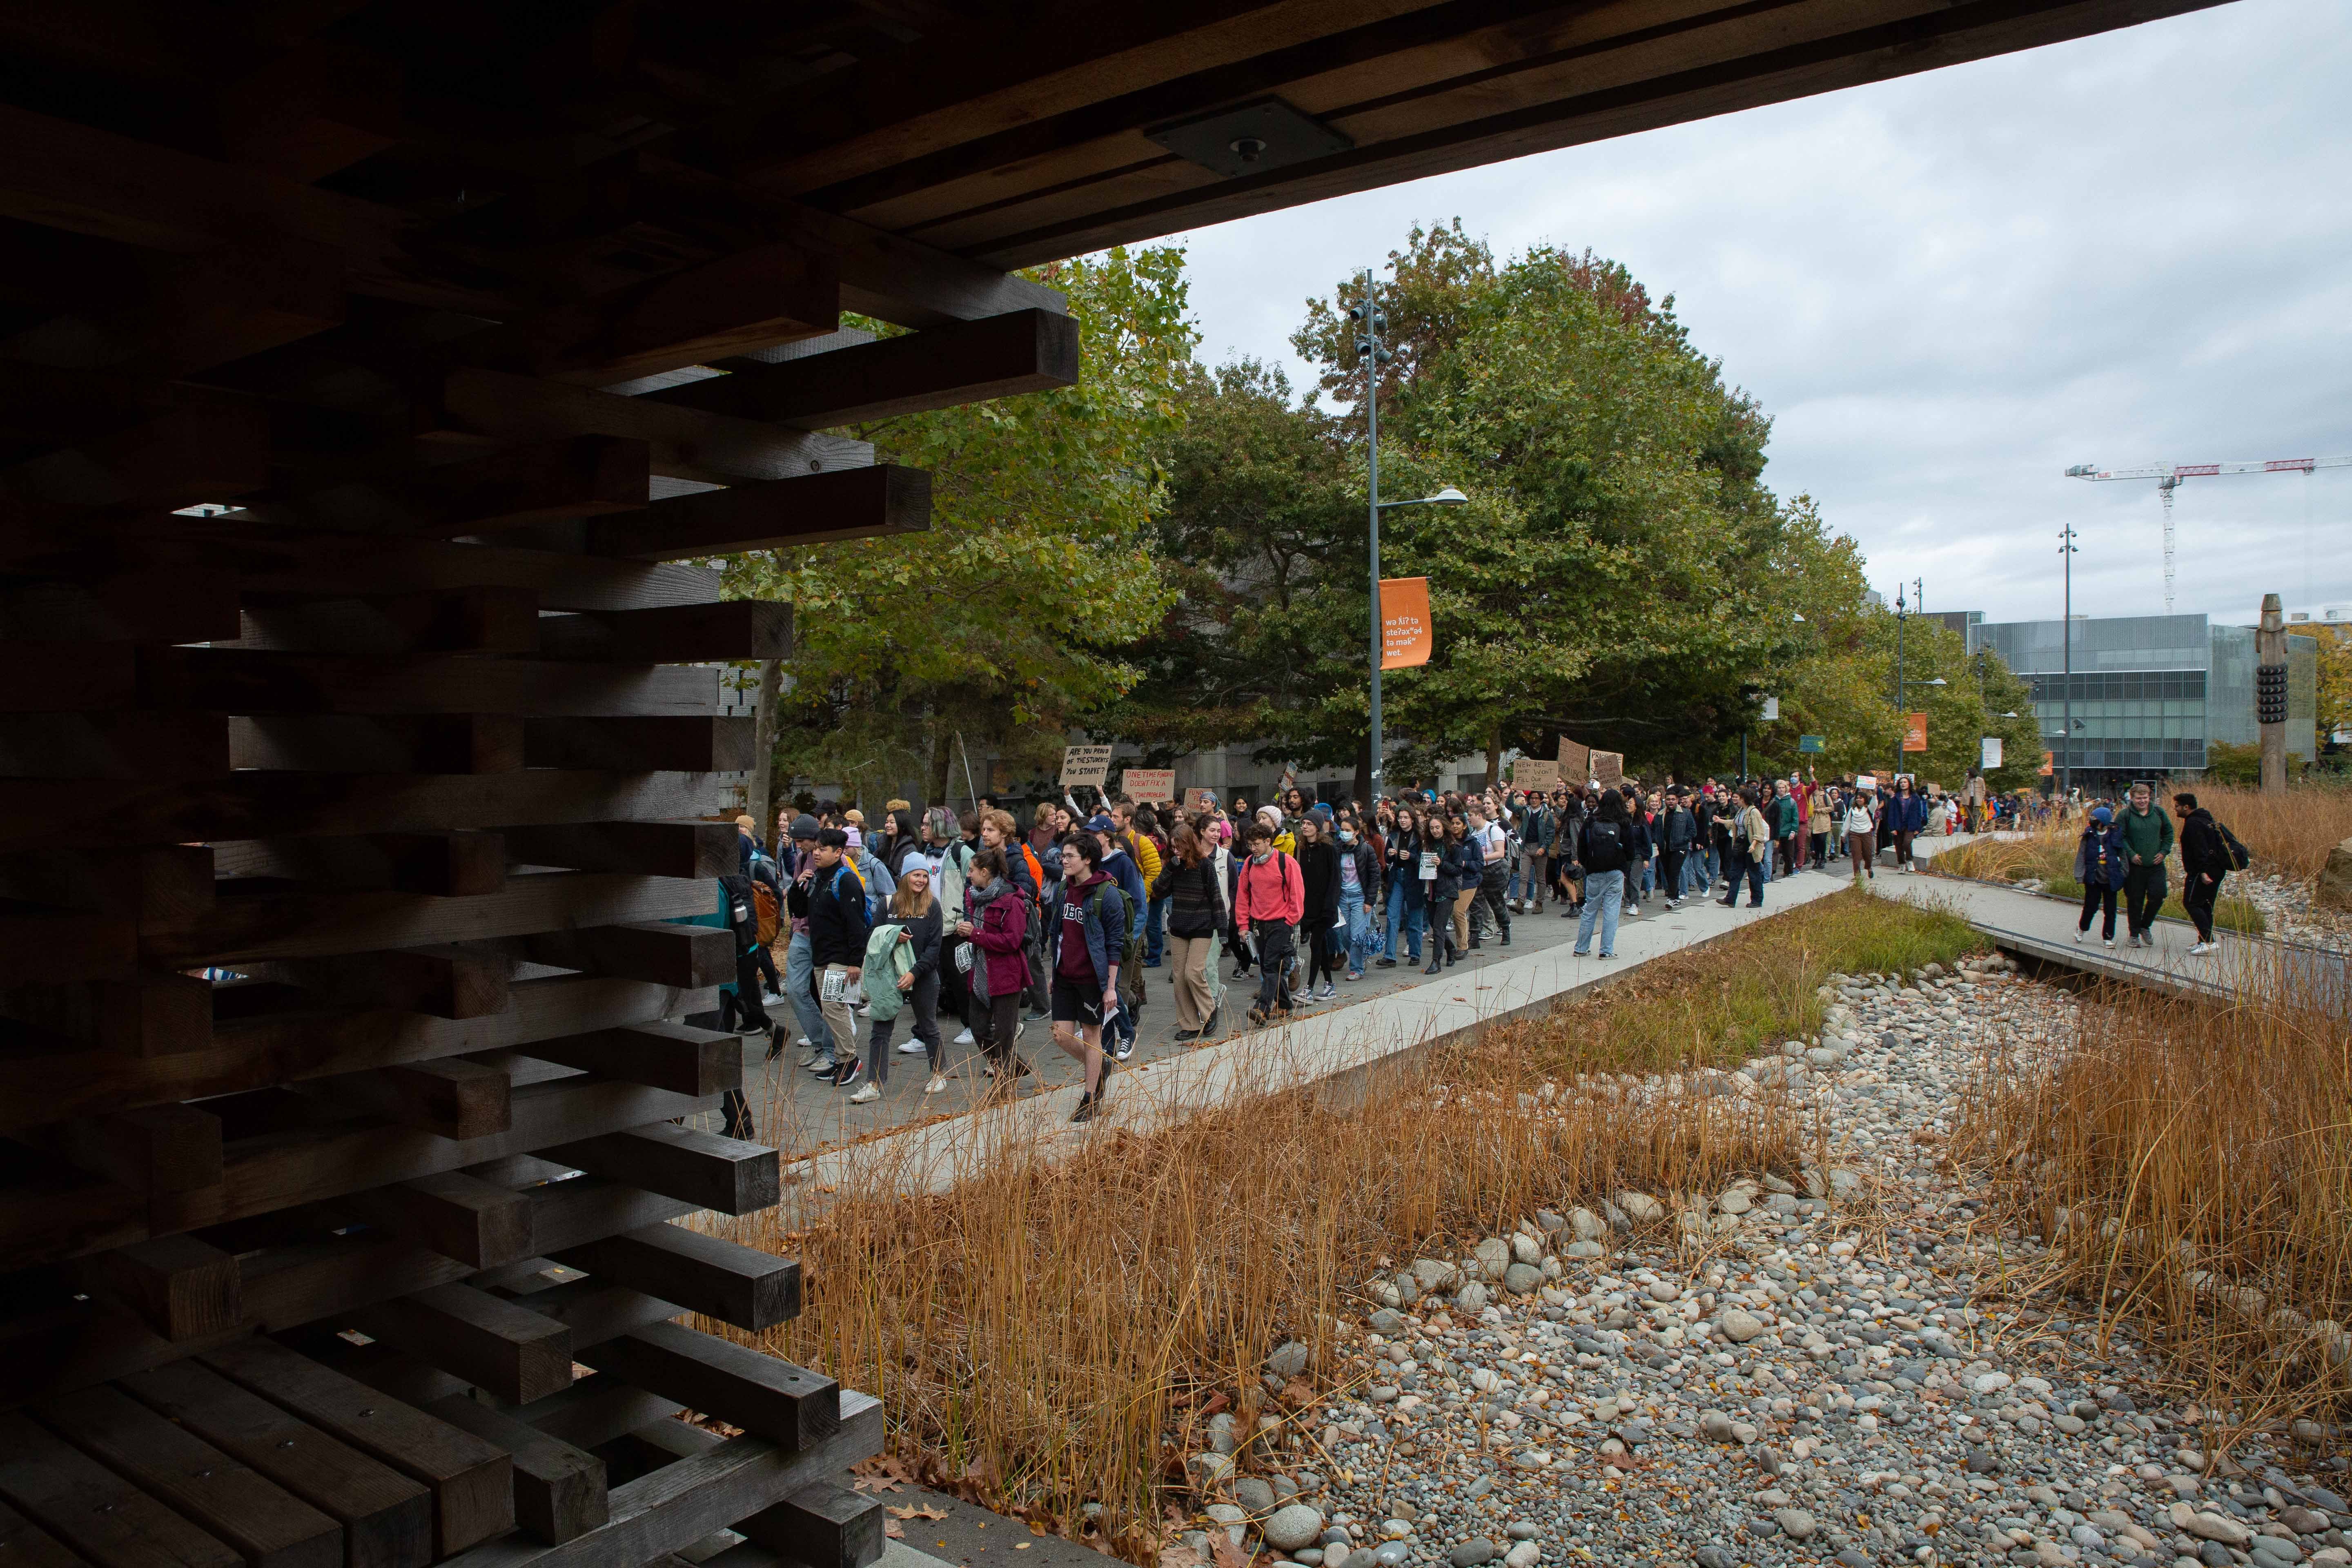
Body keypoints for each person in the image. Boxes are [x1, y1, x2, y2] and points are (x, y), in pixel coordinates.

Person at [841, 864, 946, 1103]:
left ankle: (939, 1073)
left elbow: (934, 949)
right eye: (916, 875)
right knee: (880, 1030)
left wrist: (914, 973)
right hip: (889, 976)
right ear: (906, 876)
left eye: (925, 876)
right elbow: (872, 935)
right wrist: (892, 935)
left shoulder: (933, 906)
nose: (921, 881)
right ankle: (874, 1084)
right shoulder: (888, 903)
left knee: (928, 1026)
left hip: (922, 975)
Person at [1049, 835, 1125, 1124]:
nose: (1064, 861)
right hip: (1065, 976)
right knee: (1061, 1035)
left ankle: (1091, 1097)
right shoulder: (1062, 889)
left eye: (1070, 856)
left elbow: (1115, 945)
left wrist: (1110, 987)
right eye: (1063, 856)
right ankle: (1101, 1065)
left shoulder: (1108, 895)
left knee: (1092, 1037)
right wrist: (1052, 974)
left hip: (1092, 978)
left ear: (1088, 859)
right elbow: (1055, 935)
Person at [958, 848, 1033, 1085]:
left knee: (1004, 1036)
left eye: (972, 870)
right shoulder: (974, 896)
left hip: (1006, 975)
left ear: (985, 872)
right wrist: (968, 934)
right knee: (979, 1029)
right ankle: (1015, 1066)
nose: (969, 875)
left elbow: (1013, 941)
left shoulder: (1012, 901)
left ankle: (1004, 1087)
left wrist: (976, 935)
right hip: (980, 973)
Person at [802, 828, 870, 1084]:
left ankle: (850, 1060)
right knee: (830, 1010)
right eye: (816, 848)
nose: (816, 853)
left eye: (822, 849)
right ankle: (841, 1059)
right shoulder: (818, 877)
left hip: (840, 959)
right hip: (821, 955)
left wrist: (855, 962)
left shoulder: (847, 881)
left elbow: (856, 925)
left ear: (839, 852)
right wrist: (800, 887)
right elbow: (801, 911)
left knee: (835, 1008)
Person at [1155, 822, 1228, 1038]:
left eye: (1179, 847)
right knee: (1179, 978)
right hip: (1179, 926)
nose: (1176, 851)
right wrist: (1170, 867)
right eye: (1173, 847)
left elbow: (1216, 896)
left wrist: (1223, 930)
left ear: (1189, 844)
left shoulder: (1205, 865)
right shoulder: (1173, 866)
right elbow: (1158, 891)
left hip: (1202, 926)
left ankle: (1209, 1011)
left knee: (1193, 973)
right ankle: (1190, 1024)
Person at [1234, 819, 1303, 1022]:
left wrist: (1290, 921)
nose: (1253, 849)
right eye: (1250, 845)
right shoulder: (1249, 864)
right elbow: (1243, 895)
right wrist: (1243, 925)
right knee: (1270, 965)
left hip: (1282, 923)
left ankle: (1262, 1007)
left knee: (1270, 966)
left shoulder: (1287, 863)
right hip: (1259, 924)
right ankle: (1285, 1005)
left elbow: (1297, 894)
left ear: (1268, 841)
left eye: (1257, 845)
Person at [1571, 789, 1632, 959]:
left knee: (1590, 909)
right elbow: (1631, 850)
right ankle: (1606, 950)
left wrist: (1587, 864)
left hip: (1594, 872)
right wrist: (1623, 866)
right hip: (1615, 871)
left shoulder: (1591, 821)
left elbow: (1581, 845)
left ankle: (1581, 948)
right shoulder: (1624, 821)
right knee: (1612, 911)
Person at [2116, 780, 2173, 949]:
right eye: (2139, 798)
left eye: (2146, 798)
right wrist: (2131, 854)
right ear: (2132, 798)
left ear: (2150, 798)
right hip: (2135, 866)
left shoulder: (2159, 813)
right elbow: (2120, 837)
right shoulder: (2125, 816)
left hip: (2156, 865)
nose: (2143, 801)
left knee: (2159, 894)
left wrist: (2164, 852)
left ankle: (2145, 925)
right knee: (2135, 900)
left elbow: (2169, 833)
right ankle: (2134, 934)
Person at [2174, 791, 2231, 957]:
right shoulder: (2206, 819)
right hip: (2216, 869)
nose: (2175, 810)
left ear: (2186, 807)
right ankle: (2203, 941)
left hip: (2203, 871)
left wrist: (2203, 872)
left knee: (2191, 903)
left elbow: (2201, 849)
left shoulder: (2194, 823)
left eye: (2177, 806)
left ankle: (2209, 941)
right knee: (2206, 905)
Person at [1294, 813, 1343, 1002]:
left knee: (1316, 944)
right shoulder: (1301, 848)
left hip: (1325, 906)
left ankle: (1309, 987)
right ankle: (1330, 985)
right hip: (1308, 907)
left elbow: (1335, 878)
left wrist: (1331, 905)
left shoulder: (1329, 848)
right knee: (1320, 946)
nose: (1305, 827)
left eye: (1309, 824)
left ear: (1318, 827)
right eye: (1303, 824)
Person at [2072, 804, 2127, 947]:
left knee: (2111, 911)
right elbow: (2081, 855)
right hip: (2093, 878)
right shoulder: (2089, 836)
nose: (2092, 820)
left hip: (2111, 879)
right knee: (2091, 907)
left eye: (2095, 818)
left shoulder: (2115, 835)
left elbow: (2123, 855)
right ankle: (2082, 928)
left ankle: (2108, 937)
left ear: (2103, 821)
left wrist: (2124, 874)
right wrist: (2079, 875)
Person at [1336, 814, 1379, 980]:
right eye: (1342, 830)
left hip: (1360, 897)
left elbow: (1375, 876)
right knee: (1345, 934)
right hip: (1343, 897)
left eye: (1348, 831)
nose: (1344, 833)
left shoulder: (1366, 850)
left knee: (1357, 935)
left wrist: (1370, 901)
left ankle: (1356, 968)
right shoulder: (1337, 848)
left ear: (1356, 833)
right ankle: (1361, 955)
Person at [1465, 800, 1512, 948]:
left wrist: (1480, 858)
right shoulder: (1472, 833)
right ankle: (1474, 936)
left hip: (1495, 870)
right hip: (1478, 872)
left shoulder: (1494, 829)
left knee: (1496, 903)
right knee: (1476, 904)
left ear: (1480, 815)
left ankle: (1505, 929)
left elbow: (1500, 853)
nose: (1469, 819)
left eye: (1471, 816)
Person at [1719, 787, 1769, 908]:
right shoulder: (1741, 811)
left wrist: (1753, 845)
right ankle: (1730, 899)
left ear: (1744, 799)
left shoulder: (1754, 812)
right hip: (1740, 847)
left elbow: (1759, 832)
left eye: (1739, 798)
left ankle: (1757, 900)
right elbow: (1735, 824)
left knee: (1754, 875)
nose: (1736, 799)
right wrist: (1720, 821)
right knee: (1735, 873)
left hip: (1750, 848)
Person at [1884, 777, 1927, 872]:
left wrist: (1918, 828)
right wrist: (1892, 828)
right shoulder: (1896, 798)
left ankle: (1910, 860)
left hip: (1910, 825)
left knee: (1907, 843)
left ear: (1909, 784)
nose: (1903, 784)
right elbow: (1891, 814)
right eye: (1901, 783)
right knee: (1898, 846)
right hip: (1898, 825)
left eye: (1905, 782)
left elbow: (1919, 814)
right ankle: (1902, 864)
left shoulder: (1915, 798)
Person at [1844, 790, 1878, 882]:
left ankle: (1869, 868)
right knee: (1856, 855)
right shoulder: (1852, 810)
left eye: (1861, 798)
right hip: (1854, 834)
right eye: (1857, 798)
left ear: (1865, 800)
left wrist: (1874, 794)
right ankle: (1857, 875)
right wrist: (1844, 834)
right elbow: (1848, 823)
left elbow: (1874, 804)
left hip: (1866, 834)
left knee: (1868, 854)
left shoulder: (1869, 809)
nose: (1859, 800)